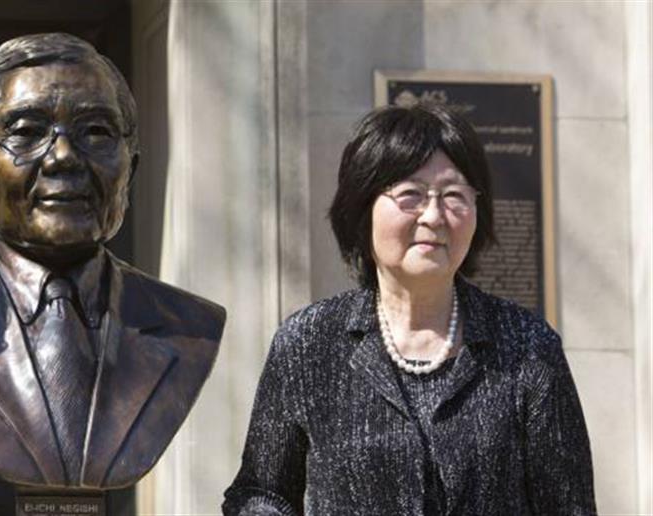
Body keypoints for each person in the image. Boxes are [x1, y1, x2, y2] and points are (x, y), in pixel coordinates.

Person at [222, 103, 595, 515]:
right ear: (363, 207)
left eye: (454, 195)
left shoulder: (528, 347)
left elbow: (569, 506)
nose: (434, 216)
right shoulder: (308, 343)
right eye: (410, 195)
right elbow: (261, 492)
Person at [0, 33, 226, 489]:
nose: (64, 157)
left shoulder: (191, 326)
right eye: (27, 132)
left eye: (96, 132)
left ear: (131, 170)